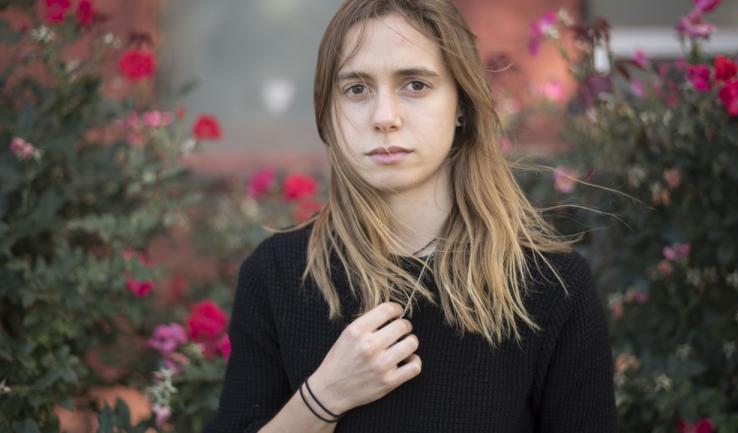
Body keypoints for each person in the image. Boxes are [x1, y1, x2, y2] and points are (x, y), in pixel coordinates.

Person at [204, 0, 618, 432]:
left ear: (461, 104)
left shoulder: (550, 286)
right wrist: (324, 397)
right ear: (328, 112)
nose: (384, 117)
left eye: (415, 85)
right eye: (356, 89)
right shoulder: (277, 275)